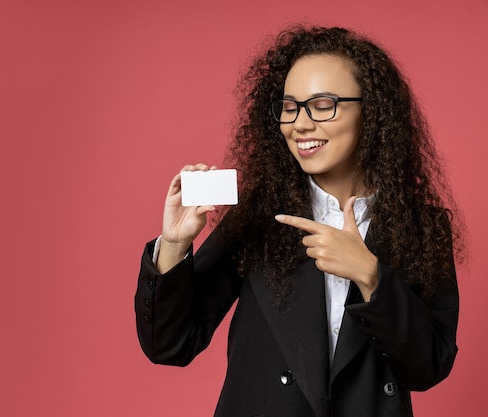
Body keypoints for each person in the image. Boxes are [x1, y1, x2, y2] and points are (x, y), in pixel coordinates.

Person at [134, 25, 464, 417]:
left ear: (372, 112)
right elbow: (171, 345)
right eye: (290, 107)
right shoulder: (259, 216)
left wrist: (372, 277)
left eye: (323, 104)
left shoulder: (419, 226)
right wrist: (173, 246)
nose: (300, 124)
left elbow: (428, 368)